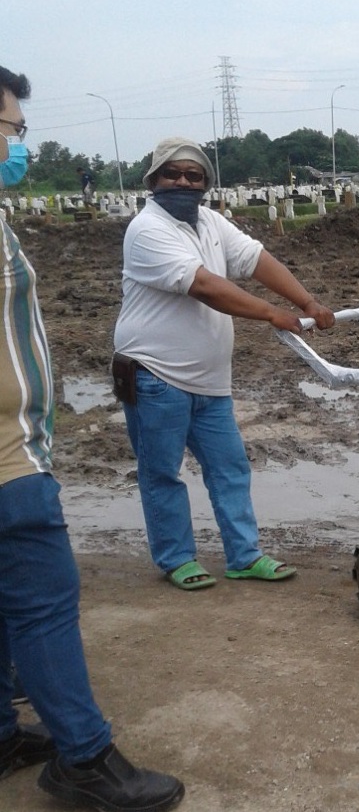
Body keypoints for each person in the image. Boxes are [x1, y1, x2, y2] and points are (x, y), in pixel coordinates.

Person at [0, 64, 185, 812]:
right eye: (12, 129)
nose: (20, 143)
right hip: (6, 458)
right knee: (45, 599)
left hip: (14, 445)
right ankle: (83, 757)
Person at [113, 137, 335, 591]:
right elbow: (205, 286)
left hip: (211, 381)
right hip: (155, 375)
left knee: (230, 468)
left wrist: (307, 301)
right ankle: (177, 558)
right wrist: (274, 313)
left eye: (193, 176)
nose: (182, 182)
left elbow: (256, 260)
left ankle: (244, 555)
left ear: (206, 184)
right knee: (161, 472)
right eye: (172, 174)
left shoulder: (210, 222)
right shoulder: (147, 230)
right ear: (153, 180)